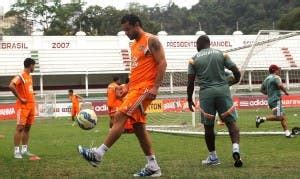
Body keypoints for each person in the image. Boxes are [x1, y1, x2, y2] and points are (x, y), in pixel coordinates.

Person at [78, 14, 167, 177]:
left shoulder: (151, 40)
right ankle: (153, 166)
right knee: (139, 128)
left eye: (127, 29)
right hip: (135, 89)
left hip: (145, 89)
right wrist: (126, 86)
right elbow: (138, 71)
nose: (126, 33)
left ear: (137, 24)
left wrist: (155, 87)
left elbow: (162, 62)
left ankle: (98, 154)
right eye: (124, 30)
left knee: (120, 115)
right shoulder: (133, 46)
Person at [187, 35, 243, 167]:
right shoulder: (221, 54)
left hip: (206, 94)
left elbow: (190, 82)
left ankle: (213, 157)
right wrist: (234, 81)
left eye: (196, 45)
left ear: (200, 44)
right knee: (231, 123)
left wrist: (189, 99)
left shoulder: (193, 59)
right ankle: (235, 149)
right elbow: (236, 71)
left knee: (208, 127)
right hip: (223, 91)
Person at [9, 58, 38, 159]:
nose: (34, 67)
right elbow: (11, 85)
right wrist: (20, 98)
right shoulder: (21, 76)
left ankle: (24, 150)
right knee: (20, 128)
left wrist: (31, 94)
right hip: (23, 107)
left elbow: (27, 89)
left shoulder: (29, 77)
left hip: (31, 106)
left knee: (27, 128)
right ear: (30, 65)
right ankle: (17, 151)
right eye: (34, 65)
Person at [256, 64, 294, 138]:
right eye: (277, 69)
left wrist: (269, 93)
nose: (279, 71)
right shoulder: (276, 77)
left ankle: (287, 133)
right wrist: (285, 92)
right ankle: (261, 118)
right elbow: (280, 85)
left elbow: (261, 90)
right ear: (274, 70)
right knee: (280, 117)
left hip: (271, 100)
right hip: (276, 99)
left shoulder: (266, 79)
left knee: (282, 117)